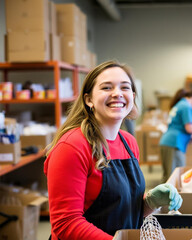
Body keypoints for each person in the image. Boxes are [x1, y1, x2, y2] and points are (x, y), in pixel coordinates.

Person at [44, 60, 182, 240]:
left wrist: (150, 203)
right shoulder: (72, 146)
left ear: (132, 96)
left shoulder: (129, 143)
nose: (117, 94)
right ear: (89, 100)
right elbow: (66, 223)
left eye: (125, 88)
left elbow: (123, 213)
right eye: (107, 88)